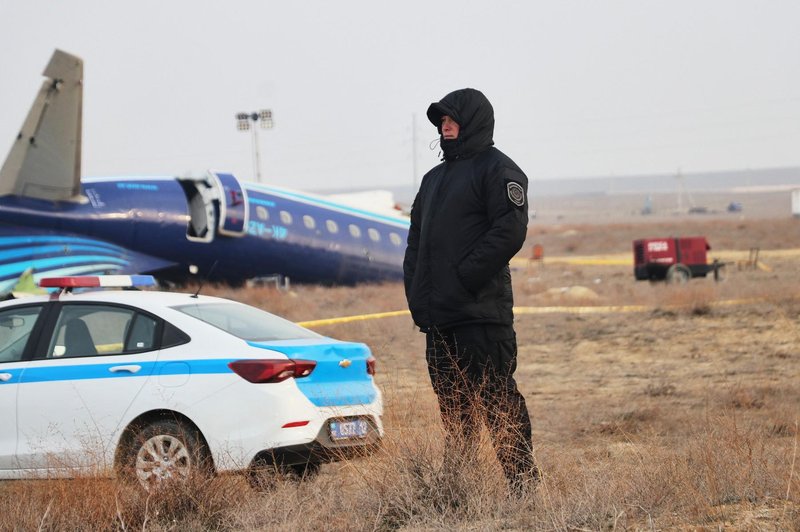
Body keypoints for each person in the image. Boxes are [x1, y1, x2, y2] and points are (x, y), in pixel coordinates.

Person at [403, 88, 537, 495]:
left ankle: (524, 490)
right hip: (439, 319)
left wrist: (463, 278)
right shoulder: (433, 180)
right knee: (454, 411)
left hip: (481, 316)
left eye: (452, 118)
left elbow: (509, 231)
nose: (445, 125)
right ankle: (458, 493)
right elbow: (415, 243)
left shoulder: (498, 170)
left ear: (472, 120)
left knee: (497, 401)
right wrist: (416, 292)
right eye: (441, 120)